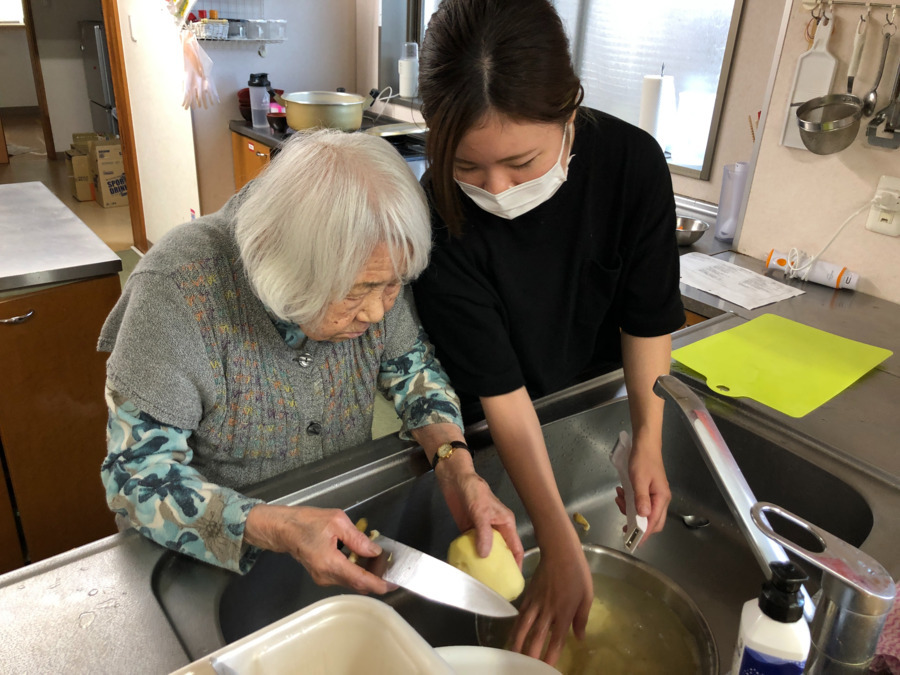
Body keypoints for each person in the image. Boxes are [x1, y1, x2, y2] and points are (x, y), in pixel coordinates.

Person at [98, 129, 520, 595]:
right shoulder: (177, 291)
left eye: (394, 285)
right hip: (206, 564)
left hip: (332, 531)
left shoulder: (374, 254)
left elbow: (414, 371)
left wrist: (455, 464)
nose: (380, 311)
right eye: (357, 292)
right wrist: (278, 527)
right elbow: (136, 476)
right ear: (283, 270)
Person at [412, 0, 685, 665]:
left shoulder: (632, 166)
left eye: (521, 162)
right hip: (490, 425)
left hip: (588, 411)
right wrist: (558, 541)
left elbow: (645, 321)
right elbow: (501, 393)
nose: (496, 188)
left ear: (570, 112)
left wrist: (649, 436)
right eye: (468, 168)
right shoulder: (435, 215)